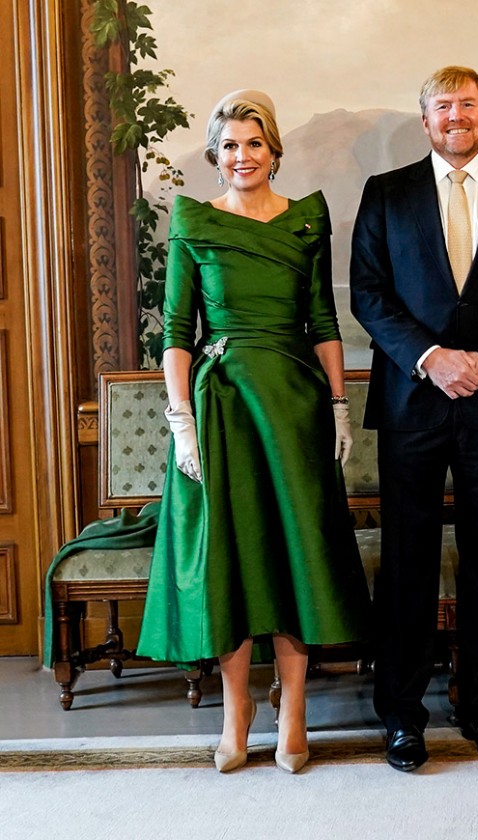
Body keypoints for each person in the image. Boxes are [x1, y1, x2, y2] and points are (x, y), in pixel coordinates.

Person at [136, 90, 371, 775]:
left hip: (296, 406)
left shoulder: (305, 222)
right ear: (217, 154)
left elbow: (323, 320)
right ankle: (237, 709)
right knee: (233, 562)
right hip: (224, 407)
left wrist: (338, 406)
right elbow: (178, 331)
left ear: (274, 151)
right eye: (231, 145)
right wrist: (181, 421)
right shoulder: (194, 222)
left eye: (255, 143)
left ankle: (293, 708)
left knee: (298, 556)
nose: (243, 156)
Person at [349, 66, 478, 772]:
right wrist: (433, 357)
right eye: (444, 106)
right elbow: (371, 297)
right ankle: (402, 717)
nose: (456, 116)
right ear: (425, 119)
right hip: (412, 402)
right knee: (407, 563)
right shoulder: (386, 194)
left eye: (468, 104)